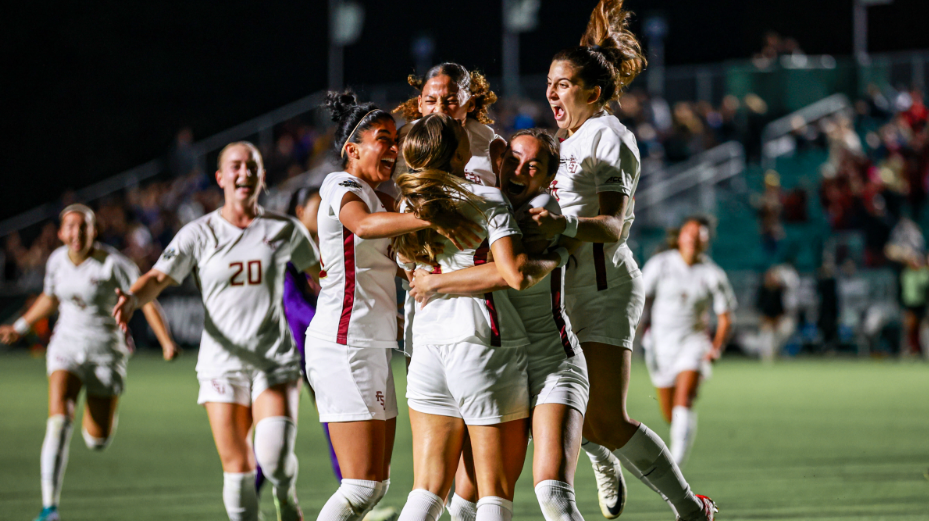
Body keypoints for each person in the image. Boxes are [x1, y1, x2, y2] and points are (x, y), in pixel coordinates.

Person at [524, 1, 716, 518]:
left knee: (605, 419)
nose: (551, 92)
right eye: (549, 82)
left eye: (562, 83)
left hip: (603, 288)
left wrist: (557, 225)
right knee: (562, 406)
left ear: (593, 91)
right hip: (563, 290)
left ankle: (690, 507)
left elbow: (611, 224)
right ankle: (601, 456)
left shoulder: (609, 134)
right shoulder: (566, 142)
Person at [111, 141, 320, 521]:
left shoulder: (285, 229)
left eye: (252, 166)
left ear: (262, 177)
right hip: (221, 365)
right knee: (239, 472)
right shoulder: (198, 233)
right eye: (235, 166)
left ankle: (287, 499)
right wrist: (132, 296)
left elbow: (320, 276)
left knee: (273, 459)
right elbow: (158, 276)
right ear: (220, 177)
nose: (244, 173)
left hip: (274, 361)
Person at [306, 95, 479, 521]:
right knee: (361, 486)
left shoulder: (381, 199)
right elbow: (363, 227)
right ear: (352, 149)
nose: (394, 149)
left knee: (376, 485)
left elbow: (397, 263)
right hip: (343, 343)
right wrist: (433, 217)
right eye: (383, 139)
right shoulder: (340, 186)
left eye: (396, 139)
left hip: (370, 344)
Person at [409, 128, 591, 521]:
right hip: (489, 354)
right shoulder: (479, 204)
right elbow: (514, 272)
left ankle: (605, 455)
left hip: (548, 361)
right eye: (513, 159)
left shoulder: (541, 212)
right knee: (465, 500)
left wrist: (434, 282)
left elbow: (517, 274)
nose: (519, 170)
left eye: (533, 166)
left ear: (547, 178)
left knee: (552, 494)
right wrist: (564, 252)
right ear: (497, 160)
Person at [392, 115, 543, 521]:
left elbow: (414, 274)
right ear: (459, 153)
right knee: (493, 491)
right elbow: (512, 274)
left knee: (426, 491)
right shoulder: (487, 199)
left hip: (426, 348)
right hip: (482, 343)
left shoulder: (409, 205)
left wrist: (436, 282)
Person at [0, 204, 178, 521]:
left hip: (105, 353)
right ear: (60, 232)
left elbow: (145, 298)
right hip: (65, 346)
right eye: (70, 226)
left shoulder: (114, 264)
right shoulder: (56, 261)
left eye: (83, 226)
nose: (76, 232)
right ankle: (49, 508)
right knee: (58, 422)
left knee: (97, 440)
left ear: (94, 231)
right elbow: (50, 297)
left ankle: (97, 428)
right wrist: (21, 327)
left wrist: (165, 341)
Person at [639, 216, 736, 468]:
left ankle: (675, 466)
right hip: (660, 346)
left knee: (685, 399)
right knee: (671, 413)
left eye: (699, 234)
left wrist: (716, 346)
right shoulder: (660, 265)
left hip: (692, 343)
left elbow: (725, 316)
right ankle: (678, 444)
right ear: (679, 236)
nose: (693, 238)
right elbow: (640, 300)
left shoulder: (712, 274)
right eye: (689, 232)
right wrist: (637, 331)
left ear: (707, 241)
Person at [393, 62, 505, 188]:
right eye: (430, 101)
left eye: (451, 101)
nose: (439, 110)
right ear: (420, 104)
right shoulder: (401, 140)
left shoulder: (492, 146)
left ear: (470, 103)